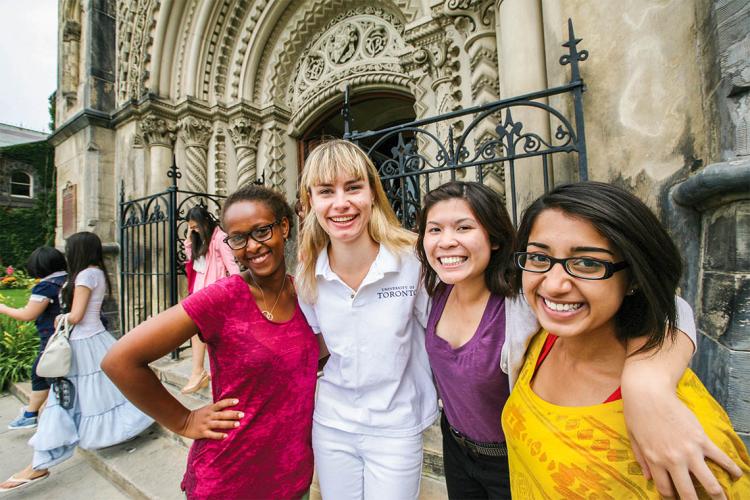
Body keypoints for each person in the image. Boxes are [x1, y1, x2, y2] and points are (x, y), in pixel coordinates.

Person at [416, 181, 742, 499]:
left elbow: (670, 307)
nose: (556, 284)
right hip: (459, 446)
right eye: (434, 230)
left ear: (495, 237)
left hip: (503, 457)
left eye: (587, 263)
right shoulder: (431, 292)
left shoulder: (525, 305)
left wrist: (648, 383)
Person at [102, 185, 318, 499]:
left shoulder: (304, 294)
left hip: (292, 476)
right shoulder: (224, 297)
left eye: (262, 230)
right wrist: (184, 419)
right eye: (238, 238)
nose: (252, 246)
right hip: (230, 477)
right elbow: (119, 360)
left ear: (284, 227)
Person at [296, 140, 437, 499]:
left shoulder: (412, 261)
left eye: (353, 187)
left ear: (372, 193)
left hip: (396, 427)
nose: (341, 203)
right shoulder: (308, 274)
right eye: (326, 191)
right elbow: (313, 349)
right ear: (310, 201)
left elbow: (442, 333)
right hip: (332, 425)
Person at [0, 232, 153, 493]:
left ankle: (40, 464)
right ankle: (41, 460)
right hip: (96, 338)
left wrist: (61, 318)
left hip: (84, 342)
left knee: (63, 397)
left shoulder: (84, 275)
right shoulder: (97, 273)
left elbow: (78, 315)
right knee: (101, 391)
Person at [0, 247, 67, 430]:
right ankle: (34, 411)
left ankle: (32, 414)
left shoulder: (46, 286)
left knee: (41, 372)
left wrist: (4, 308)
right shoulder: (67, 280)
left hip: (51, 338)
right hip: (66, 334)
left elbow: (28, 314)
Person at [181, 204, 240, 394]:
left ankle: (200, 372)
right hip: (199, 291)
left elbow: (232, 266)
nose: (194, 230)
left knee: (205, 331)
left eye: (195, 226)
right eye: (191, 227)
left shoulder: (219, 238)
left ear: (204, 222)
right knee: (200, 330)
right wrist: (190, 238)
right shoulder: (199, 240)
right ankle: (198, 372)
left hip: (215, 292)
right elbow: (192, 261)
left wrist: (237, 291)